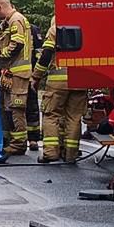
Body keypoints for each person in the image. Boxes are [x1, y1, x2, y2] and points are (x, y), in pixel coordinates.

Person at [31, 16, 87, 163]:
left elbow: (46, 55)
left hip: (58, 82)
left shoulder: (55, 28)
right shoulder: (86, 26)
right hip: (81, 80)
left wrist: (36, 76)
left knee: (51, 115)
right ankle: (70, 155)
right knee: (74, 117)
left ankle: (50, 153)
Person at [0, 0, 32, 156]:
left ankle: (19, 144)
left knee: (16, 108)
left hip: (18, 73)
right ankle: (9, 140)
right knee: (7, 107)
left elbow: (17, 45)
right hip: (9, 73)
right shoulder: (9, 22)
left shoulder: (16, 20)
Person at [26, 23, 43, 151]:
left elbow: (39, 52)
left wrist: (36, 74)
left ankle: (33, 138)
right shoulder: (4, 27)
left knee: (31, 105)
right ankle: (30, 138)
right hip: (11, 75)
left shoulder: (33, 29)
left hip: (29, 73)